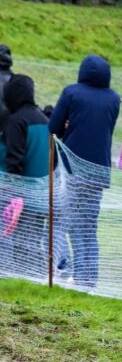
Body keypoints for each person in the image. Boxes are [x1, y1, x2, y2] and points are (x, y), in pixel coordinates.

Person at [48, 54, 120, 288]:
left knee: (64, 221)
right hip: (99, 172)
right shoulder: (113, 98)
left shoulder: (71, 93)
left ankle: (68, 272)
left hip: (72, 170)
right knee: (88, 226)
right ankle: (88, 279)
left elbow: (53, 127)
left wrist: (68, 125)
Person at [2, 74, 50, 278]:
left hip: (23, 198)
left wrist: (14, 195)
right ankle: (38, 284)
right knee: (35, 242)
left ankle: (29, 285)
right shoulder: (44, 119)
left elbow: (15, 161)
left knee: (22, 246)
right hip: (43, 195)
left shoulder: (16, 121)